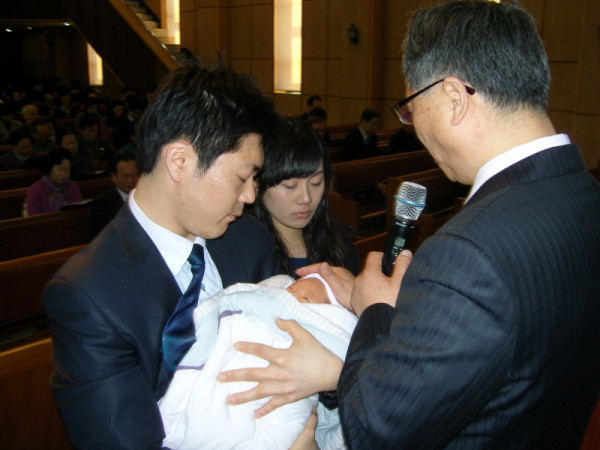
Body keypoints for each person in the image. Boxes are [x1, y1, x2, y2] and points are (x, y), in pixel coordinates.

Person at [218, 1, 600, 449]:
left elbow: (376, 431)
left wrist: (376, 312)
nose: (413, 125)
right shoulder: (584, 196)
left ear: (454, 98)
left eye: (411, 107)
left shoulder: (468, 254)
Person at [43, 63, 284, 448]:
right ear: (179, 161)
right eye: (242, 177)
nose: (251, 195)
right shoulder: (88, 295)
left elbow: (287, 348)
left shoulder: (249, 238)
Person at [159, 273, 356, 450]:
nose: (290, 296)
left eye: (305, 299)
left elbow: (342, 347)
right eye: (290, 289)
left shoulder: (335, 333)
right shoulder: (262, 282)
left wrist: (336, 373)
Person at [250, 118, 360, 276]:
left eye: (316, 182)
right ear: (258, 183)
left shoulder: (340, 242)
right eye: (290, 186)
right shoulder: (244, 251)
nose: (306, 198)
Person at [87, 153, 139, 241]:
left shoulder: (147, 196)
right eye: (125, 177)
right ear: (114, 177)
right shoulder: (101, 204)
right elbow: (95, 239)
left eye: (134, 175)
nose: (131, 180)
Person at [25, 147, 82, 215]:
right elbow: (34, 217)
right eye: (60, 169)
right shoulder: (35, 190)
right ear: (50, 168)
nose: (63, 174)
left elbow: (79, 212)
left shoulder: (72, 186)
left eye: (67, 170)